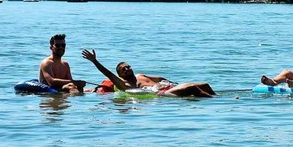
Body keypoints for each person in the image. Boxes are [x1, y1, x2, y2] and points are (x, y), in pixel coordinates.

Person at [82, 49, 216, 97]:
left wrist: (171, 82)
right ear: (120, 75)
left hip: (169, 87)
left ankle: (216, 98)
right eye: (123, 69)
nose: (127, 69)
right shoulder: (124, 84)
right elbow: (108, 74)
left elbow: (160, 78)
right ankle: (215, 102)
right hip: (162, 94)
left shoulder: (140, 75)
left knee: (205, 85)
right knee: (192, 88)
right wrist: (95, 61)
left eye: (128, 66)